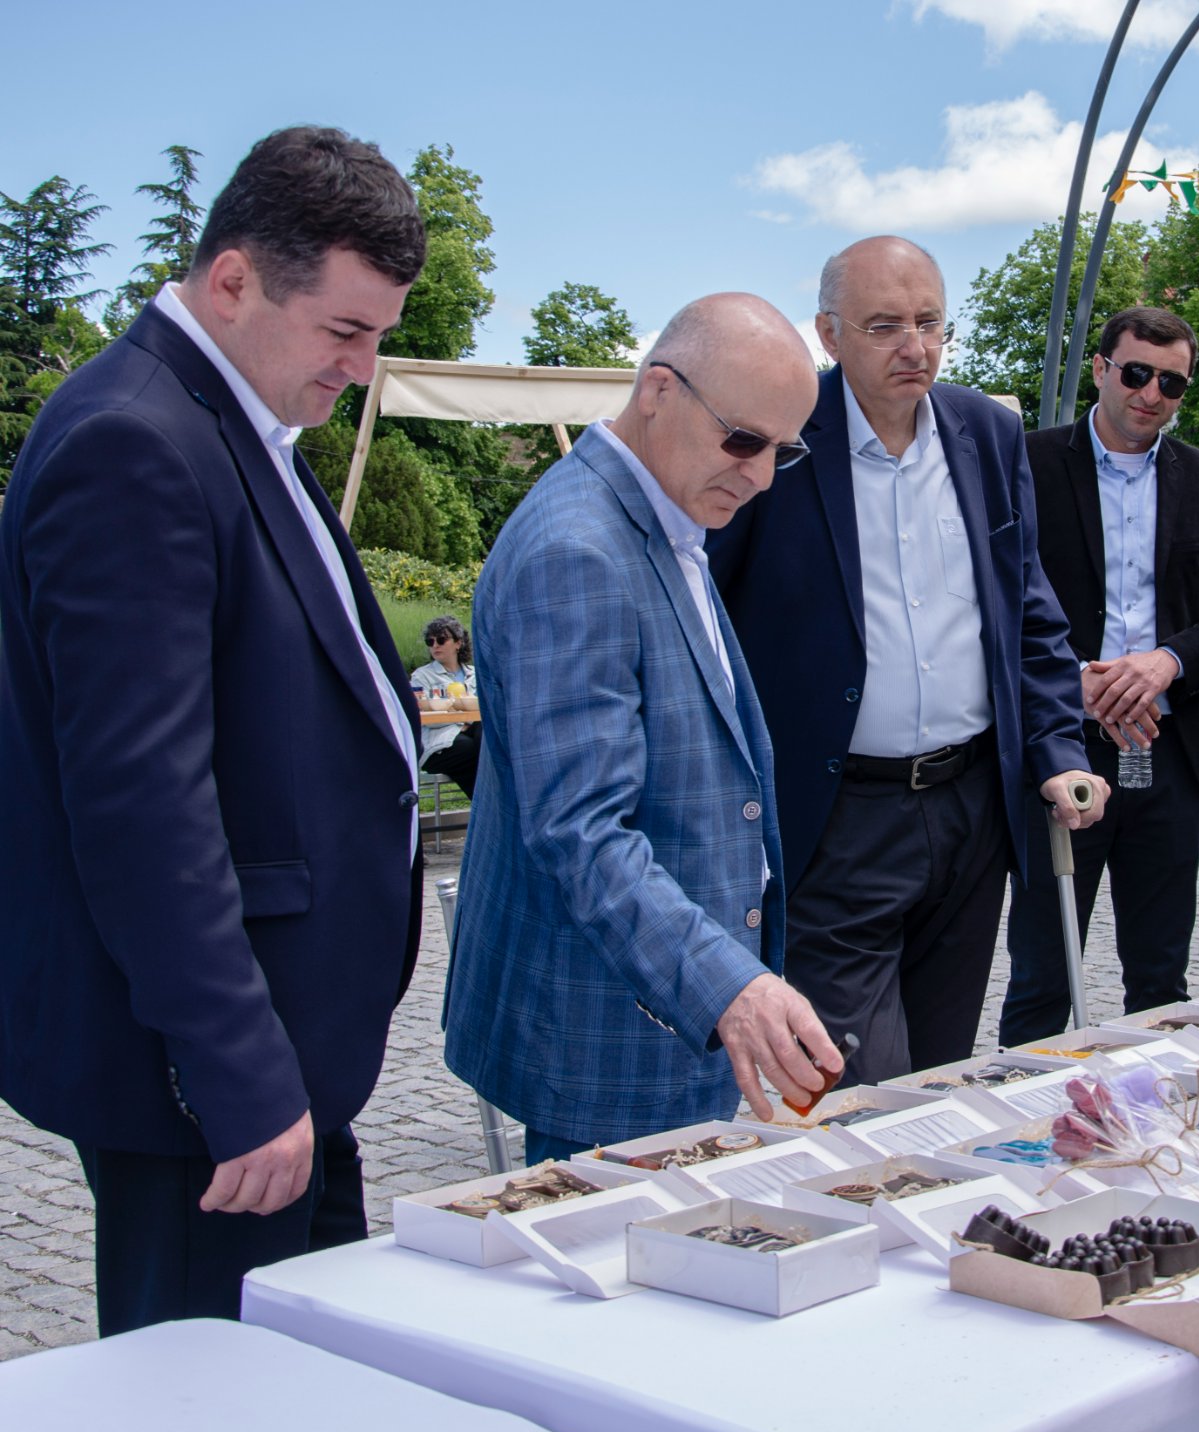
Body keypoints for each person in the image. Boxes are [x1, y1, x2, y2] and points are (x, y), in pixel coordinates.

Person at [0, 127, 427, 1333]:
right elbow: (141, 802)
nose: (362, 367)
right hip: (208, 1091)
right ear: (234, 279)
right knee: (203, 1399)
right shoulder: (133, 441)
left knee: (301, 1384)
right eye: (344, 330)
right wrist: (236, 1069)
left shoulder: (229, 420)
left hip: (284, 1058)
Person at [445, 294, 842, 1160]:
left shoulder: (663, 517)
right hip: (605, 1037)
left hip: (656, 1020)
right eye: (744, 441)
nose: (763, 477)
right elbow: (581, 831)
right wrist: (727, 985)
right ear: (659, 390)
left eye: (785, 450)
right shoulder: (577, 551)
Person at [708, 237, 1105, 1085]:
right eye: (884, 326)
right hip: (837, 815)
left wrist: (1059, 750)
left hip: (971, 812)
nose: (914, 347)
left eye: (929, 323)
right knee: (852, 1082)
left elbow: (1029, 612)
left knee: (940, 1069)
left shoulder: (989, 432)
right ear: (828, 333)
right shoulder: (779, 436)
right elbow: (707, 613)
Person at [997, 307, 1199, 1046]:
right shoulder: (1027, 464)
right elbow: (992, 597)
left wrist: (1165, 662)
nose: (1151, 394)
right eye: (1137, 373)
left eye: (1172, 383)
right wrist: (1069, 680)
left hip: (1168, 755)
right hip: (1061, 751)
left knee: (1161, 975)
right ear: (1101, 369)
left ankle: (1156, 1106)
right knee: (1043, 975)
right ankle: (1023, 1103)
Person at [410, 615, 475, 760]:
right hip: (438, 741)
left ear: (458, 643)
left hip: (471, 731)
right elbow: (421, 714)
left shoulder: (475, 675)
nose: (435, 645)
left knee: (486, 737)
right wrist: (463, 722)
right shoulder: (421, 676)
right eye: (430, 641)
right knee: (468, 747)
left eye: (441, 640)